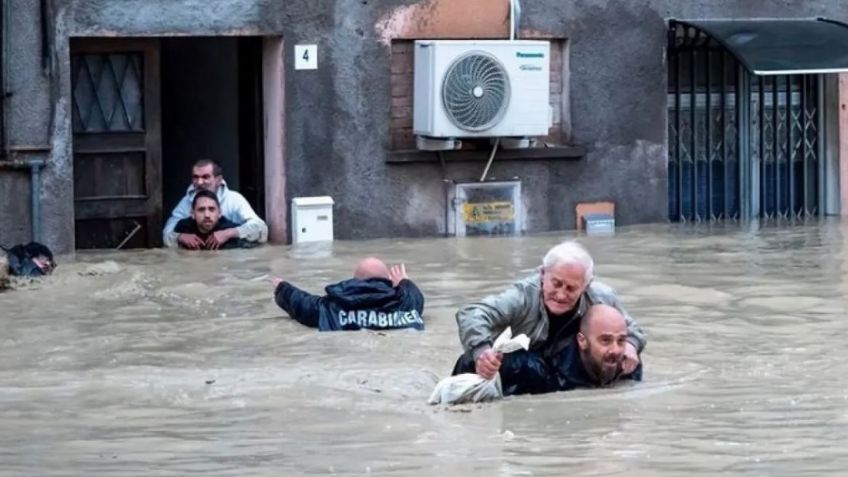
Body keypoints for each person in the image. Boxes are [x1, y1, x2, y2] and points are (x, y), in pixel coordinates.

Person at [451, 240, 646, 384]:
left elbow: (633, 329)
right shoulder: (522, 296)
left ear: (586, 286)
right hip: (524, 364)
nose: (561, 295)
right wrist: (482, 354)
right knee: (529, 368)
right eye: (556, 284)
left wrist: (630, 345)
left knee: (628, 361)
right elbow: (471, 313)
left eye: (571, 289)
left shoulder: (602, 297)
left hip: (563, 365)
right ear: (543, 274)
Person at [497, 304, 643, 396]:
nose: (616, 350)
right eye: (605, 340)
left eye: (621, 340)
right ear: (582, 341)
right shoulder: (540, 373)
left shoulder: (629, 363)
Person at [271, 257, 425, 331]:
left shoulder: (333, 306)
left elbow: (305, 305)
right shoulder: (405, 303)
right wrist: (405, 283)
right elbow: (417, 300)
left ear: (354, 281)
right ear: (388, 282)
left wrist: (283, 289)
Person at [163, 159, 268, 249]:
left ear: (219, 180)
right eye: (196, 177)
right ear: (192, 212)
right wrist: (180, 237)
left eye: (205, 177)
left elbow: (262, 230)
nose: (199, 182)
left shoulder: (234, 200)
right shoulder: (186, 202)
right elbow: (166, 235)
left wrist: (228, 233)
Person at [172, 190, 259, 250]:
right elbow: (166, 240)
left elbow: (260, 237)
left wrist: (228, 234)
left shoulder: (228, 229)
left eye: (211, 209)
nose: (207, 215)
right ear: (192, 214)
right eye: (201, 210)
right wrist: (179, 237)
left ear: (220, 213)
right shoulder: (183, 227)